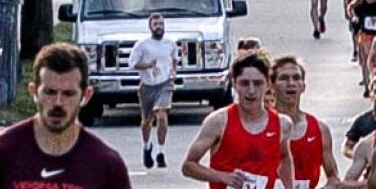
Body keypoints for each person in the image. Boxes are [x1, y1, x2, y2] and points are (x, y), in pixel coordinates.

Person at [0, 43, 130, 188]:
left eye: (68, 93)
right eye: (50, 92)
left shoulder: (107, 165)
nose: (58, 103)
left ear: (86, 96)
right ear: (33, 91)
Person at [182, 52, 295, 188]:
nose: (251, 90)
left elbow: (284, 158)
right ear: (234, 84)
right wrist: (223, 177)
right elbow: (188, 166)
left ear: (268, 84)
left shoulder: (282, 124)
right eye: (244, 83)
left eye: (258, 83)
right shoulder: (219, 121)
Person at [271, 56, 340, 189]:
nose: (291, 83)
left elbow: (333, 178)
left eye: (296, 78)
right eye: (284, 78)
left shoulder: (319, 129)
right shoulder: (259, 125)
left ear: (303, 86)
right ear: (271, 85)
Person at [129, 14, 177, 169]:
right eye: (156, 24)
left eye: (161, 24)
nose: (159, 27)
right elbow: (132, 64)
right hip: (147, 86)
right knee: (147, 121)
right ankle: (146, 146)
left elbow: (174, 59)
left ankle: (161, 152)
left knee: (162, 116)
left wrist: (173, 73)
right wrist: (147, 65)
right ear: (150, 27)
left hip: (164, 84)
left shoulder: (170, 44)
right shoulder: (142, 45)